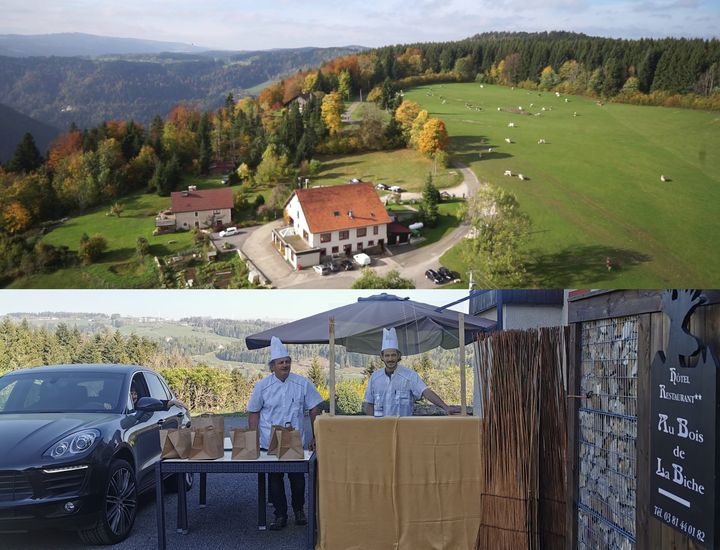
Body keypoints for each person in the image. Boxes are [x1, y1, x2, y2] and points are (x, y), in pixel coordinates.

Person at [247, 337, 323, 531]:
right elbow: (254, 412)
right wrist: (252, 439)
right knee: (274, 480)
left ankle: (299, 510)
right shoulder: (262, 386)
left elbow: (315, 408)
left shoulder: (302, 384)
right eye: (281, 362)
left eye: (287, 361)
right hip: (269, 439)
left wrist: (316, 436)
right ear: (272, 366)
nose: (285, 365)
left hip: (294, 439)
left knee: (297, 479)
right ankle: (280, 515)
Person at [363, 327, 461, 417]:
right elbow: (369, 403)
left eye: (393, 355)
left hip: (404, 427)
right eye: (387, 356)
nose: (390, 359)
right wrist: (373, 423)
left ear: (398, 356)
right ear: (382, 357)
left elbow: (425, 392)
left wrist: (446, 407)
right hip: (381, 428)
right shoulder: (375, 377)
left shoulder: (409, 375)